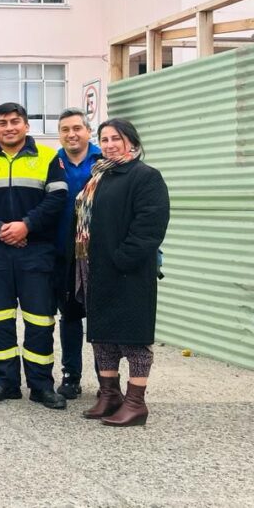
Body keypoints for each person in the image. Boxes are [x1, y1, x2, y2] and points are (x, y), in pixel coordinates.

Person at [0, 102, 68, 409]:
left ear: (26, 126)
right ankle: (5, 382)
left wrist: (26, 226)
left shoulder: (48, 157)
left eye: (15, 121)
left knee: (39, 320)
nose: (9, 127)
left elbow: (57, 198)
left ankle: (41, 386)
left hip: (36, 251)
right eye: (3, 123)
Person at [77, 119, 169, 427]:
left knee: (134, 340)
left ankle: (135, 403)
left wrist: (122, 259)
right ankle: (109, 396)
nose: (109, 144)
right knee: (103, 338)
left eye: (116, 138)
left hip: (129, 270)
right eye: (103, 139)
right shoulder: (100, 176)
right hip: (97, 267)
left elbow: (150, 224)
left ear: (131, 141)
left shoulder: (146, 176)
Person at [52, 108, 102, 399]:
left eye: (76, 129)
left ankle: (105, 376)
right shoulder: (52, 163)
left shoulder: (103, 161)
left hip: (98, 255)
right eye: (65, 129)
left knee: (99, 319)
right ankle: (71, 375)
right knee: (69, 316)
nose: (71, 134)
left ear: (87, 131)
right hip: (63, 254)